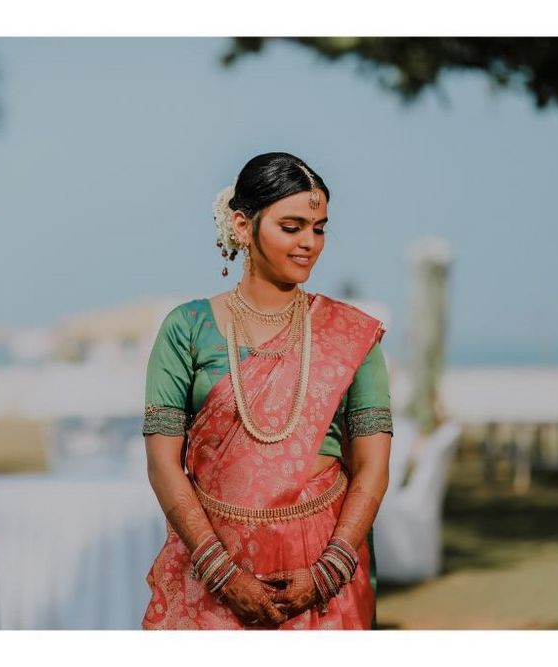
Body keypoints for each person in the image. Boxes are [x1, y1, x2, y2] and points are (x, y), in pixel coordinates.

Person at [141, 152, 392, 630]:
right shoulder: (186, 329)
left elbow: (373, 469)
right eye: (291, 226)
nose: (309, 244)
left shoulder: (351, 336)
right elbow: (162, 464)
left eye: (318, 228)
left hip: (320, 570)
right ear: (243, 225)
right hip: (211, 567)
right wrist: (222, 575)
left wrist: (327, 572)